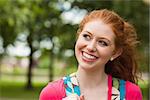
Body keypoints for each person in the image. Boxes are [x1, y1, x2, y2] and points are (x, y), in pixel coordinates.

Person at [39, 9, 143, 100]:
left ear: (115, 52)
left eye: (102, 42)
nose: (90, 47)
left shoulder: (131, 93)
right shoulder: (52, 93)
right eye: (87, 36)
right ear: (78, 36)